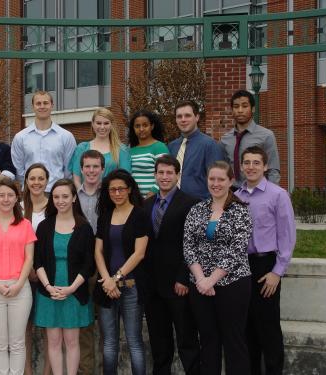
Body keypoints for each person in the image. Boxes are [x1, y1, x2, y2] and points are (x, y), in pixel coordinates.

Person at [183, 161, 253, 375]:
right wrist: (200, 279)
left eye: (221, 179)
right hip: (200, 285)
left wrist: (211, 280)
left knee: (234, 341)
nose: (216, 183)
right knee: (208, 340)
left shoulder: (240, 211)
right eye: (212, 179)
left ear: (231, 181)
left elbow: (237, 250)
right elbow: (188, 245)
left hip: (232, 284)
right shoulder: (197, 209)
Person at [235, 146, 296, 375]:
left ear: (265, 166)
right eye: (247, 162)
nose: (251, 167)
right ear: (241, 166)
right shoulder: (236, 196)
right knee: (246, 327)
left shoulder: (278, 195)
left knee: (268, 328)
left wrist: (277, 272)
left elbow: (287, 237)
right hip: (241, 267)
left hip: (266, 266)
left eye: (256, 163)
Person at [143, 155, 200, 375]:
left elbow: (193, 244)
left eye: (169, 173)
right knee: (159, 342)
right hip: (153, 286)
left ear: (178, 175)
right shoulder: (146, 205)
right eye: (161, 173)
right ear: (155, 175)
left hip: (179, 284)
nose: (165, 177)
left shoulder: (191, 203)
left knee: (187, 340)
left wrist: (183, 277)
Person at [0, 178, 36, 375]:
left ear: (16, 198)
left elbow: (29, 258)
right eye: (1, 195)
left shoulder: (25, 224)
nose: (6, 199)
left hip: (20, 288)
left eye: (10, 195)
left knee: (18, 342)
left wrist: (19, 284)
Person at [34, 179, 95, 375]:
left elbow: (89, 265)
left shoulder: (84, 227)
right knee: (53, 341)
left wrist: (71, 288)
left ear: (74, 198)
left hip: (74, 293)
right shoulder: (44, 226)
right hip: (48, 292)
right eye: (56, 197)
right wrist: (49, 286)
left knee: (71, 341)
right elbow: (38, 261)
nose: (60, 201)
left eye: (65, 196)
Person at [94, 169, 148, 375]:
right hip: (107, 287)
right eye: (112, 190)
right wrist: (107, 280)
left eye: (121, 189)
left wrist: (116, 278)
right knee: (109, 343)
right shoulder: (105, 216)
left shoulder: (140, 215)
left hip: (131, 287)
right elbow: (98, 251)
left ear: (129, 190)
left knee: (134, 341)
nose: (117, 193)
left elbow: (139, 253)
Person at [11, 91, 76, 192]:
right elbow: (18, 169)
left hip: (56, 193)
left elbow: (69, 170)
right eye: (38, 103)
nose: (42, 106)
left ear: (52, 105)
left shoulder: (66, 136)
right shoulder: (20, 137)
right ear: (33, 106)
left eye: (45, 103)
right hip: (30, 193)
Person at [21, 163, 52, 375]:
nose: (37, 183)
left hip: (50, 273)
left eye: (41, 178)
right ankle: (27, 371)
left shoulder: (55, 205)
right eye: (32, 178)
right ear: (26, 181)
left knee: (50, 328)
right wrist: (29, 269)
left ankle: (49, 371)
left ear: (47, 180)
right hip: (23, 274)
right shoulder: (19, 207)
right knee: (25, 328)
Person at [77, 149, 105, 375]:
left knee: (107, 326)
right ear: (81, 169)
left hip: (106, 265)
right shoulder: (72, 195)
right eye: (87, 166)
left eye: (96, 166)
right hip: (81, 267)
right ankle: (85, 371)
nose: (91, 170)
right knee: (84, 325)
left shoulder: (111, 195)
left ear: (103, 169)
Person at [221, 90, 280, 188]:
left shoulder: (266, 136)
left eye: (244, 106)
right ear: (231, 110)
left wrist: (271, 195)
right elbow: (223, 169)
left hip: (258, 190)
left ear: (253, 109)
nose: (240, 110)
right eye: (236, 107)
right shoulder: (225, 139)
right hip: (232, 192)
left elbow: (273, 170)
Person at [168, 100, 224, 200]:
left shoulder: (209, 145)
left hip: (200, 206)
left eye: (187, 115)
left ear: (197, 117)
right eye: (179, 116)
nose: (183, 120)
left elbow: (218, 180)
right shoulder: (172, 146)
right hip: (174, 205)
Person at [70, 107, 131, 190]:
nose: (102, 127)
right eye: (98, 123)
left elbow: (125, 179)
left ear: (111, 125)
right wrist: (84, 195)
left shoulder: (122, 150)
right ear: (92, 124)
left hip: (111, 198)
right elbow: (76, 178)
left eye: (106, 123)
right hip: (86, 198)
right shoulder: (82, 148)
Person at [127, 110, 169, 197]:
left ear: (152, 126)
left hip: (154, 199)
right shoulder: (130, 150)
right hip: (134, 200)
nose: (141, 129)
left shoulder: (159, 147)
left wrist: (151, 194)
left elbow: (165, 174)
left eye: (145, 125)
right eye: (137, 126)